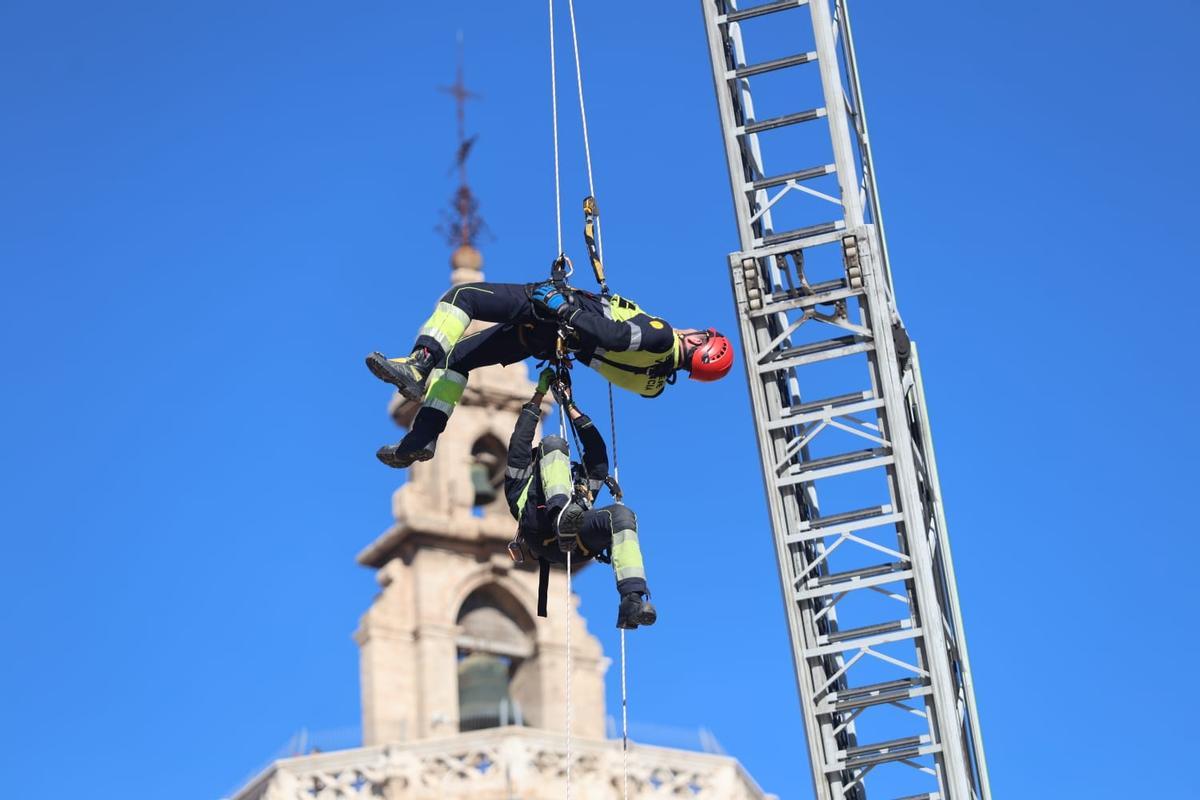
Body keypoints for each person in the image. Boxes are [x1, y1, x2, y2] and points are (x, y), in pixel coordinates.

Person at [366, 274, 734, 468]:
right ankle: (423, 437)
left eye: (700, 335)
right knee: (459, 359)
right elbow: (606, 353)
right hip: (548, 341)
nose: (692, 330)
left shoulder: (662, 338)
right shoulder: (653, 384)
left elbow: (612, 333)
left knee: (463, 297)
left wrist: (562, 307)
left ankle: (419, 363)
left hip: (552, 316)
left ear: (699, 344)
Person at [504, 369, 656, 630]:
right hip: (541, 532)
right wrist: (539, 395)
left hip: (576, 545)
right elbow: (521, 439)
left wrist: (569, 405)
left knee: (622, 517)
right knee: (553, 442)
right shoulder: (521, 483)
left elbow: (596, 452)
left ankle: (632, 598)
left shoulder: (581, 483)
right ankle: (560, 515)